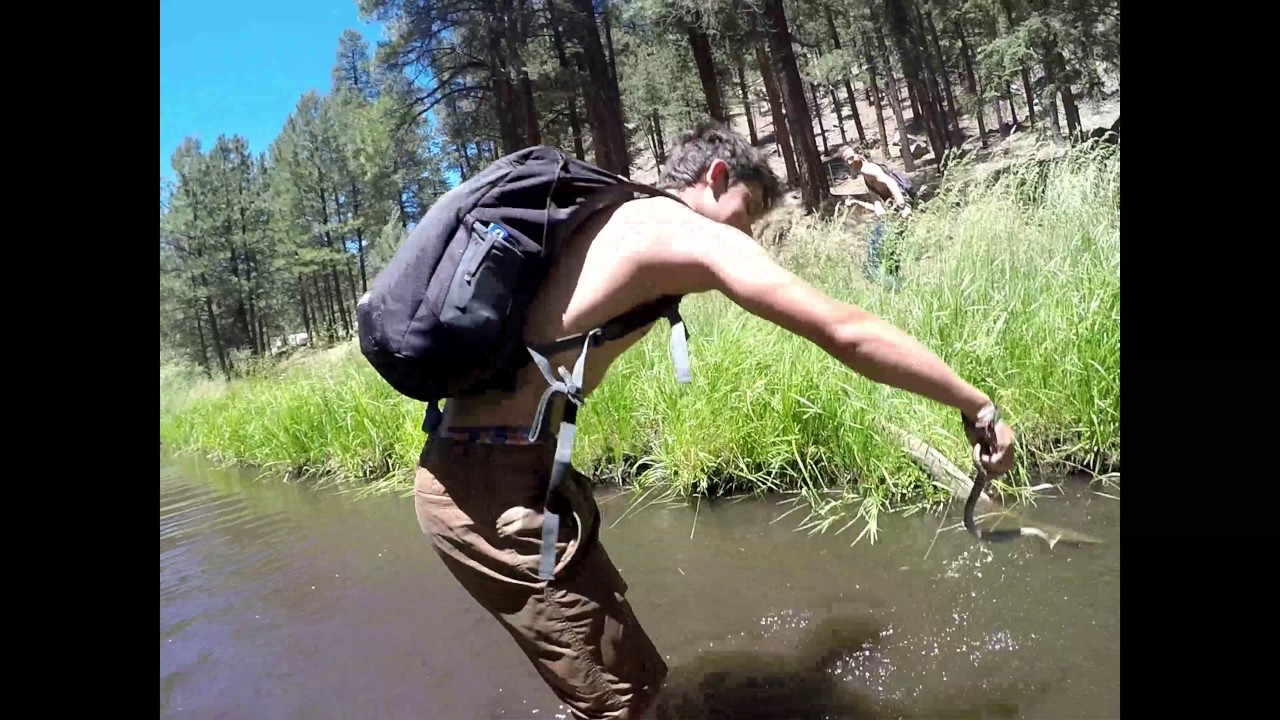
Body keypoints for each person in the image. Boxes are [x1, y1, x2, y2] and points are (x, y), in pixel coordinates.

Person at [412, 123, 1016, 720]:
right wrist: (976, 404)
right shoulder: (681, 230)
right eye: (747, 210)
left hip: (501, 475)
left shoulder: (614, 213)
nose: (747, 232)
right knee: (629, 704)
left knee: (619, 682)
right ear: (717, 176)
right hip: (491, 492)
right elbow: (845, 330)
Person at [840, 146, 917, 219]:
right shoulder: (865, 175)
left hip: (902, 198)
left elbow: (891, 182)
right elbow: (876, 200)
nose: (850, 162)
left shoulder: (869, 168)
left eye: (851, 158)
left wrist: (901, 204)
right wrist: (857, 202)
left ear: (860, 154)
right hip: (893, 204)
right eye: (847, 161)